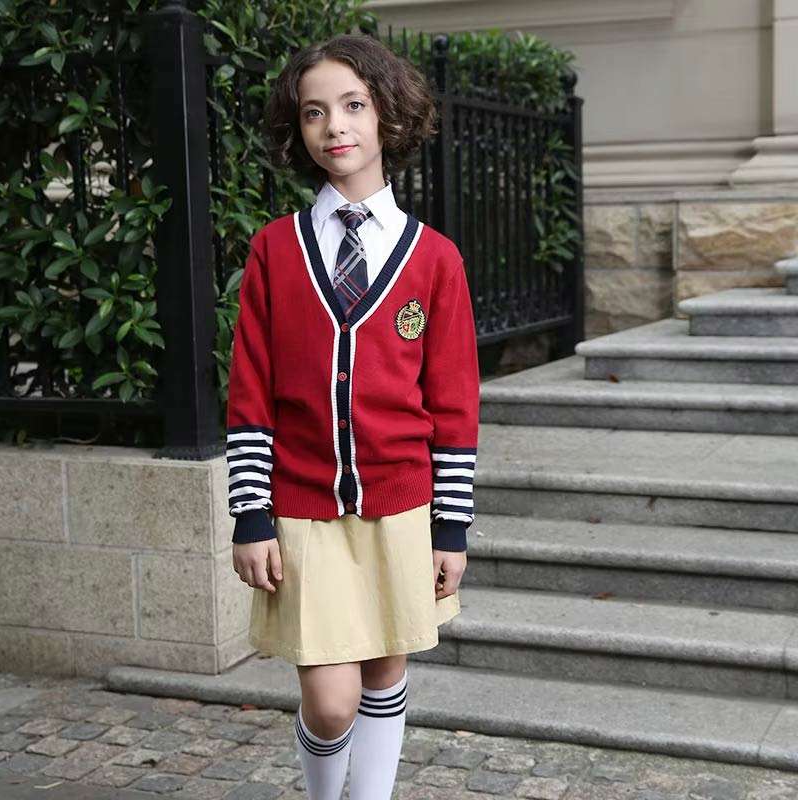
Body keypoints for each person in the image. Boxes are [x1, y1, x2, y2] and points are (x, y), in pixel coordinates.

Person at [225, 31, 480, 800]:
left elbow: (455, 405)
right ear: (298, 130)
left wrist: (451, 528)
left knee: (383, 675)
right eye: (314, 112)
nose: (334, 126)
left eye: (353, 105)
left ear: (387, 116)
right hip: (303, 507)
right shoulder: (276, 250)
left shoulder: (434, 258)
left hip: (401, 506)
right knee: (331, 701)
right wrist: (250, 515)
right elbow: (250, 394)